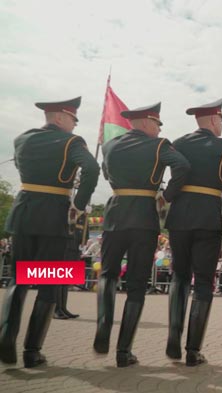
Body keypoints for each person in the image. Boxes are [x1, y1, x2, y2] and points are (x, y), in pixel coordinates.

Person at [0, 97, 99, 368]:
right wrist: (79, 205)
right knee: (48, 285)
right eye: (73, 118)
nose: (74, 124)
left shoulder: (22, 139)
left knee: (17, 280)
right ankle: (32, 351)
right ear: (59, 117)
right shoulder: (72, 142)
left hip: (23, 213)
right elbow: (91, 168)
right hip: (54, 218)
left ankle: (6, 339)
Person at [93, 102, 191, 367]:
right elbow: (182, 166)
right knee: (136, 285)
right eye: (158, 125)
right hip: (145, 217)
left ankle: (103, 329)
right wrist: (166, 196)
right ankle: (124, 351)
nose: (159, 131)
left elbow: (104, 173)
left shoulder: (109, 146)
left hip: (115, 214)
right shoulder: (158, 146)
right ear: (148, 123)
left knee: (108, 275)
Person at [164, 99, 222, 366]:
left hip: (179, 217)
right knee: (203, 282)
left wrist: (166, 197)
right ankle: (193, 350)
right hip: (208, 218)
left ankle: (173, 337)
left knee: (178, 277)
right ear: (215, 120)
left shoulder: (177, 143)